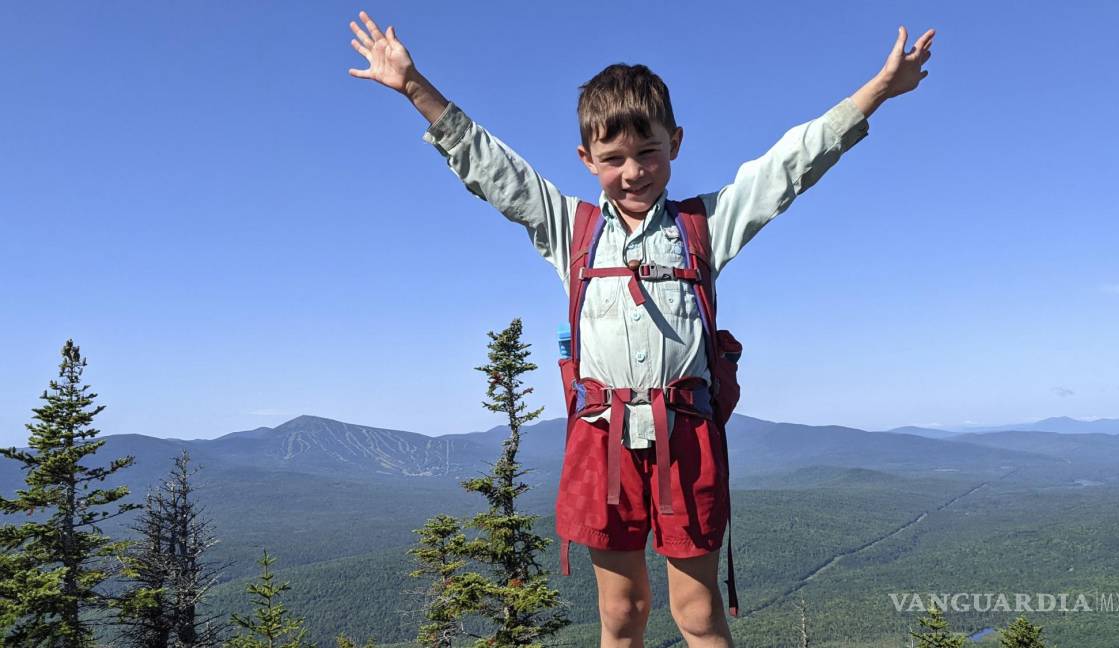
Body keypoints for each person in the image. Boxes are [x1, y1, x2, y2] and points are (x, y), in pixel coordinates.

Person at [347, 11, 934, 647]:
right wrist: (414, 87)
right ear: (586, 158)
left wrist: (876, 90)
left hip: (687, 436)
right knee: (621, 613)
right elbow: (494, 170)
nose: (633, 171)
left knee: (699, 614)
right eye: (613, 158)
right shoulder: (569, 228)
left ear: (675, 143)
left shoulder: (705, 225)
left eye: (648, 152)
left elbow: (789, 166)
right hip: (604, 441)